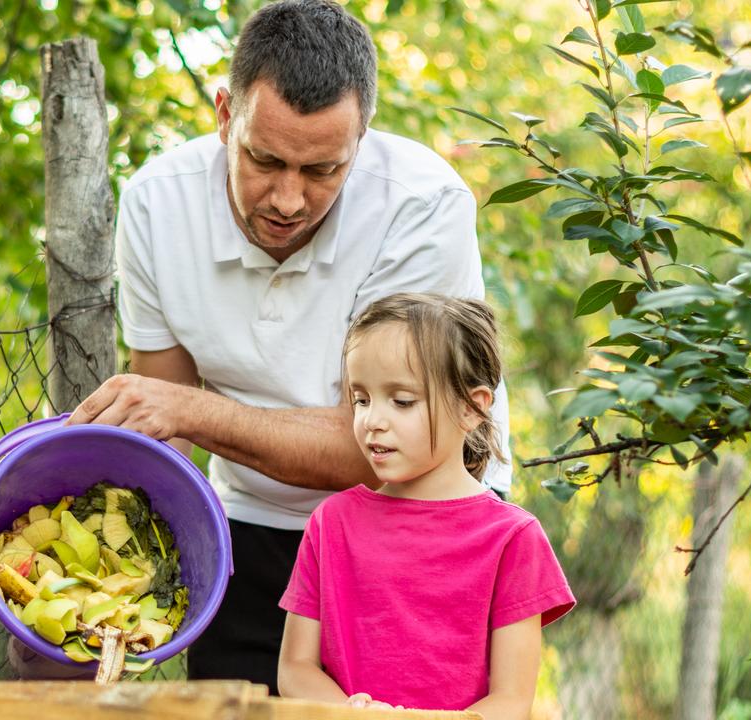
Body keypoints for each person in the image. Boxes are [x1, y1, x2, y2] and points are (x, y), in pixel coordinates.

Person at [63, 0, 513, 693]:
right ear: (224, 114)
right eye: (264, 159)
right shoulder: (156, 204)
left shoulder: (423, 206)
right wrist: (106, 570)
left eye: (323, 171)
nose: (288, 199)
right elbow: (167, 435)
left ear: (362, 140)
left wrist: (191, 413)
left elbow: (383, 451)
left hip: (423, 529)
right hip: (246, 524)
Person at [277, 293, 575, 715]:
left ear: (472, 408)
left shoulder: (513, 538)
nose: (372, 420)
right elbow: (294, 668)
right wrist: (351, 712)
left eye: (401, 401)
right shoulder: (331, 523)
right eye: (361, 399)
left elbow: (511, 702)